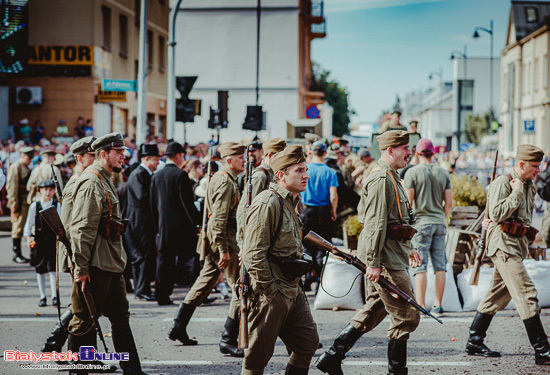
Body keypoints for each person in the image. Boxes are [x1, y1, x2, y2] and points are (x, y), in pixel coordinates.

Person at [316, 130, 422, 375]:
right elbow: (375, 223)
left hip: (391, 253)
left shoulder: (391, 176)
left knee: (376, 307)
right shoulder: (381, 178)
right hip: (384, 259)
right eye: (405, 147)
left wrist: (409, 247)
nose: (409, 152)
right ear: (390, 150)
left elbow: (398, 219)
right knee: (407, 315)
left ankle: (332, 356)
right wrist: (373, 262)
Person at [68, 132, 146, 375]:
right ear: (103, 154)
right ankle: (78, 369)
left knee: (121, 316)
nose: (123, 156)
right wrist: (81, 269)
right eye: (118, 152)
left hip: (110, 262)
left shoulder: (105, 178)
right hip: (95, 265)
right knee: (83, 319)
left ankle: (132, 369)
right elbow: (82, 228)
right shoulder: (92, 182)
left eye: (123, 151)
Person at [464, 144, 550, 366]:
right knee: (526, 293)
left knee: (497, 296)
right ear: (521, 164)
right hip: (503, 247)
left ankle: (475, 340)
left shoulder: (529, 184)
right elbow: (497, 213)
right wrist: (516, 192)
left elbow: (523, 220)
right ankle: (543, 350)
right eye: (534, 166)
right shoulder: (504, 183)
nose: (538, 170)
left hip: (515, 246)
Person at [241, 145, 319, 374]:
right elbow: (252, 254)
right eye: (299, 170)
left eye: (305, 169)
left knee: (308, 343)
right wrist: (271, 292)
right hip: (272, 291)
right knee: (257, 358)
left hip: (292, 288)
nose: (306, 175)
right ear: (280, 175)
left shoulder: (290, 202)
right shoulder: (268, 202)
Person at [168, 142, 245, 358]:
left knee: (205, 282)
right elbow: (219, 219)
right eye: (241, 157)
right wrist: (224, 250)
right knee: (240, 288)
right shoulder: (225, 182)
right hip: (224, 241)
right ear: (229, 161)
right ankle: (227, 340)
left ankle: (178, 326)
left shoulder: (225, 178)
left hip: (218, 239)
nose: (245, 160)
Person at [404, 138, 452, 317]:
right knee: (440, 266)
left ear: (417, 153)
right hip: (439, 221)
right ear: (433, 153)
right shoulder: (443, 172)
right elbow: (448, 204)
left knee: (420, 265)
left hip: (420, 224)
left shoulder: (412, 173)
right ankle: (438, 305)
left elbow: (409, 203)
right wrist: (441, 218)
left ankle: (421, 305)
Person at [151, 142, 201, 305]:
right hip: (182, 227)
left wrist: (157, 226)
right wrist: (198, 223)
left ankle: (161, 294)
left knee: (164, 260)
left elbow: (152, 204)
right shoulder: (180, 176)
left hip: (164, 226)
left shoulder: (157, 175)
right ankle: (196, 293)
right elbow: (187, 204)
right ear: (179, 156)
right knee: (192, 259)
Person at [236, 137, 287, 250]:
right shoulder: (261, 176)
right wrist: (243, 242)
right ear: (270, 155)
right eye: (280, 156)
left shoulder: (273, 174)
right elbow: (244, 210)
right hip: (255, 240)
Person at [300, 140, 338, 291]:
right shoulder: (330, 172)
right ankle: (321, 282)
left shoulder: (306, 170)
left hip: (307, 211)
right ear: (325, 153)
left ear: (312, 152)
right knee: (323, 246)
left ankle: (308, 277)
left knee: (307, 246)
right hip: (323, 211)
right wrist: (333, 211)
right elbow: (333, 196)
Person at [126, 144, 161, 302]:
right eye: (155, 160)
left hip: (144, 219)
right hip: (140, 220)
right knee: (143, 255)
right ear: (146, 159)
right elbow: (142, 197)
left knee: (147, 254)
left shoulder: (144, 174)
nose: (157, 163)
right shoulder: (139, 174)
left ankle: (144, 287)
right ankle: (141, 290)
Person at [23, 179, 60, 307]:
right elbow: (29, 224)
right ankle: (42, 296)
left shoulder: (56, 205)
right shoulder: (35, 205)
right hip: (39, 240)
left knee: (52, 269)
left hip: (51, 241)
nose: (48, 192)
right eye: (45, 190)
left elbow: (59, 223)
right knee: (40, 270)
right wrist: (29, 238)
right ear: (40, 191)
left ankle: (54, 296)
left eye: (50, 190)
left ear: (54, 191)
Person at [6, 146, 34, 263]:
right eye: (28, 157)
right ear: (23, 156)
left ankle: (19, 254)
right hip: (19, 201)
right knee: (17, 227)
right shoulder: (16, 167)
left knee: (22, 227)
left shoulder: (25, 166)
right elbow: (12, 186)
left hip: (25, 200)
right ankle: (17, 253)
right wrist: (14, 203)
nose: (30, 159)